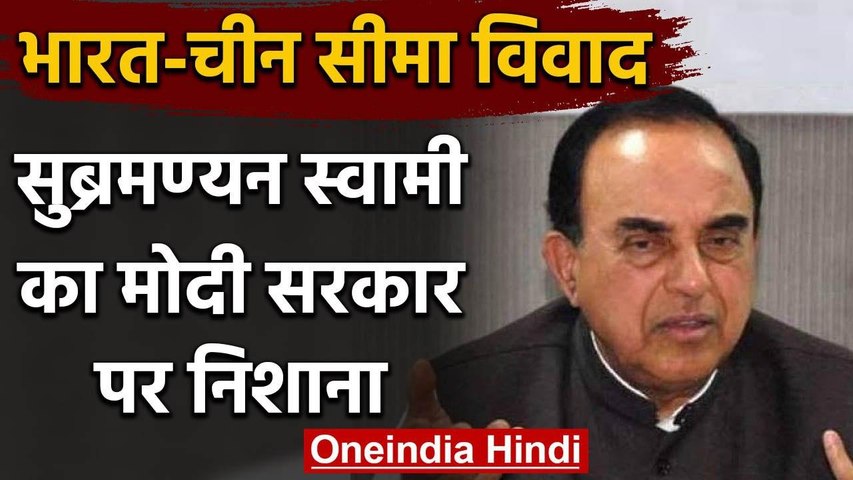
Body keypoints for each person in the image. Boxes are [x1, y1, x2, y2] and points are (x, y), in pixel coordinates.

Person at [402, 88, 853, 479]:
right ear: (567, 267)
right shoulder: (465, 407)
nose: (692, 281)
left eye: (720, 241)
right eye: (644, 244)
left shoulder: (839, 402)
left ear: (753, 245)